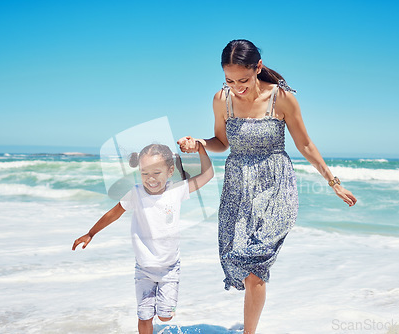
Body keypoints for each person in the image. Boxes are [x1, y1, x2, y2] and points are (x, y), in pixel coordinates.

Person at [177, 39, 357, 334]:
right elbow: (221, 142)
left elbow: (305, 144)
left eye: (244, 80)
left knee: (256, 266)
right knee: (240, 261)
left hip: (275, 186)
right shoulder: (221, 99)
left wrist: (332, 181)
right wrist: (198, 143)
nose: (237, 87)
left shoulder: (282, 98)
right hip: (238, 187)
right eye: (230, 80)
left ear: (258, 67)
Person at [72, 143, 213, 334]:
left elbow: (208, 175)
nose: (150, 179)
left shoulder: (177, 190)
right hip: (144, 268)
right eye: (145, 173)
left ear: (170, 171)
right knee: (144, 315)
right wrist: (90, 233)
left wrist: (201, 149)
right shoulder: (135, 193)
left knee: (165, 316)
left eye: (156, 172)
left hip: (169, 269)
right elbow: (113, 214)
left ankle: (162, 309)